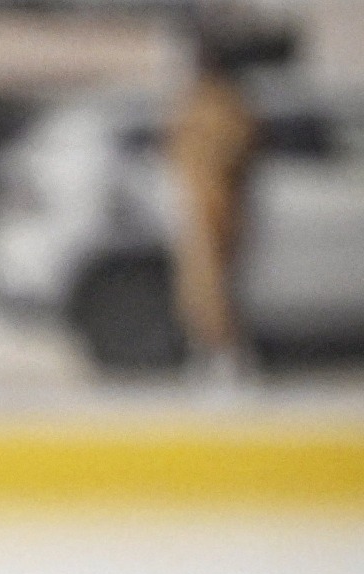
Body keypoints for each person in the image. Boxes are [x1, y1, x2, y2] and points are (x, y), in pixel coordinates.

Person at [166, 25, 262, 389]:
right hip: (200, 209)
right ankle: (212, 357)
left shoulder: (224, 104)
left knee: (221, 288)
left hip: (221, 208)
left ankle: (225, 358)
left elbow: (237, 150)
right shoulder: (199, 103)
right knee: (202, 289)